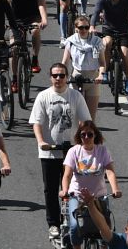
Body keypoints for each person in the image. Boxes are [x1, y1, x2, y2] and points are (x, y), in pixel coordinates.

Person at [28, 60, 87, 237]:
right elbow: (36, 123)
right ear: (50, 77)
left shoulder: (75, 96)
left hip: (71, 151)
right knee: (51, 189)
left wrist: (83, 140)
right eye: (55, 75)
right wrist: (41, 142)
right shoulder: (43, 97)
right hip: (49, 152)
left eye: (62, 75)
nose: (58, 79)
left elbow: (85, 122)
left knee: (73, 187)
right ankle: (53, 223)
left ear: (67, 77)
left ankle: (76, 219)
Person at [58, 118, 121, 246]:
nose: (86, 137)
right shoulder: (74, 151)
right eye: (83, 134)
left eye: (90, 134)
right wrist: (64, 190)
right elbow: (67, 175)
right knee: (75, 227)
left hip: (99, 196)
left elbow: (110, 172)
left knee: (105, 228)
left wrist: (115, 189)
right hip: (77, 196)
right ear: (79, 136)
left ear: (95, 135)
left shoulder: (102, 151)